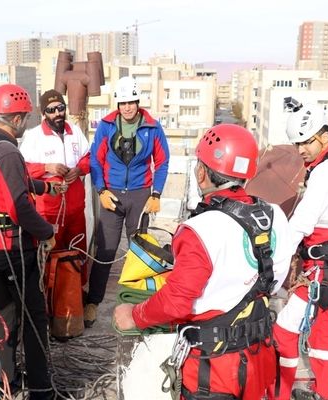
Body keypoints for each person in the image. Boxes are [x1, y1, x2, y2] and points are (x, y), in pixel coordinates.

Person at [114, 124, 293, 400]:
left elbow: (176, 301)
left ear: (201, 172)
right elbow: (276, 280)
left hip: (215, 368)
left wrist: (134, 314)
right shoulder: (275, 216)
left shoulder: (200, 230)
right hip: (259, 356)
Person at [0, 83, 63, 400]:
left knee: (5, 320)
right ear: (19, 119)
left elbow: (13, 185)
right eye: (25, 117)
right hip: (14, 250)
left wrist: (46, 188)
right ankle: (40, 389)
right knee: (34, 321)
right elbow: (18, 205)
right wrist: (47, 232)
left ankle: (4, 382)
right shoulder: (9, 151)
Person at [271, 101, 328, 400]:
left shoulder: (326, 173)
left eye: (306, 142)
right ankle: (325, 392)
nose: (301, 151)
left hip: (323, 269)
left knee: (283, 331)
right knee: (322, 331)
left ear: (324, 135)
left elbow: (300, 226)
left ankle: (280, 393)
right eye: (298, 144)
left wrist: (275, 272)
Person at [86, 76, 170, 327]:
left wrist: (156, 194)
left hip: (139, 194)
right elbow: (95, 161)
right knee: (106, 250)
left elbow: (162, 161)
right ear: (118, 104)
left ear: (137, 101)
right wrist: (101, 190)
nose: (127, 108)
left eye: (131, 102)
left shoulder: (152, 127)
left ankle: (137, 302)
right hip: (111, 194)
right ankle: (93, 302)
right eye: (123, 103)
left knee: (139, 251)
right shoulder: (106, 125)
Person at [20, 89, 90, 253]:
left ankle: (79, 280)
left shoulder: (75, 131)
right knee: (50, 258)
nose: (57, 113)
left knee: (77, 256)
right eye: (51, 110)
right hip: (48, 212)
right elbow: (22, 170)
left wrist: (79, 169)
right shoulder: (33, 137)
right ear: (44, 113)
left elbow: (89, 157)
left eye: (60, 108)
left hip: (76, 211)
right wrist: (46, 168)